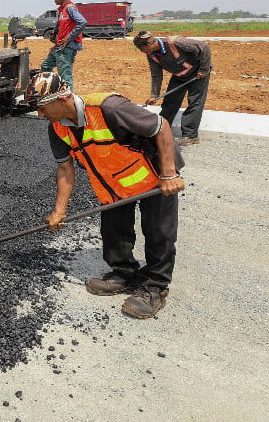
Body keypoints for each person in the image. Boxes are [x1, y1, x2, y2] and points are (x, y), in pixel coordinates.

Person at [27, 71, 185, 319]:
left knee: (158, 231)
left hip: (152, 175)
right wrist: (59, 211)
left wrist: (168, 174)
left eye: (42, 107)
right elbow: (65, 168)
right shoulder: (56, 128)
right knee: (114, 230)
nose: (40, 114)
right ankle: (123, 273)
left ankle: (155, 287)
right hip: (112, 183)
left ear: (61, 99)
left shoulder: (108, 107)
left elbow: (161, 126)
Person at [133, 31, 211, 145]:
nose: (141, 51)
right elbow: (156, 75)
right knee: (170, 102)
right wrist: (154, 95)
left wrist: (204, 69)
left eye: (141, 48)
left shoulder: (175, 42)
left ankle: (190, 136)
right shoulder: (151, 55)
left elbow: (204, 47)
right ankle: (162, 130)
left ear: (148, 45)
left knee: (195, 102)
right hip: (179, 75)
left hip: (198, 74)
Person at [38, 0, 86, 91]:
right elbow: (62, 29)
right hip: (60, 47)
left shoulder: (70, 8)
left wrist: (69, 38)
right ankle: (50, 90)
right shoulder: (62, 10)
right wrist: (55, 45)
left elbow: (82, 22)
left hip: (67, 47)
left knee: (65, 76)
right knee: (45, 66)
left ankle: (68, 101)